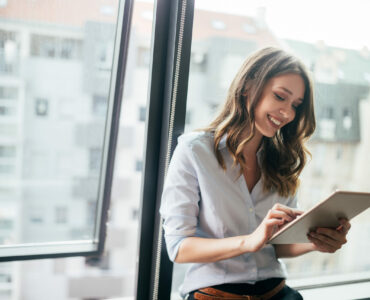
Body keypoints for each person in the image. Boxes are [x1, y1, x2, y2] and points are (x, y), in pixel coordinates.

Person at [160, 47, 351, 300]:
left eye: (295, 105)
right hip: (215, 294)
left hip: (278, 293)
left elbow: (279, 246)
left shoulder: (282, 160)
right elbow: (178, 247)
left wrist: (317, 242)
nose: (288, 113)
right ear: (249, 86)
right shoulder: (194, 151)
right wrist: (249, 241)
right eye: (280, 96)